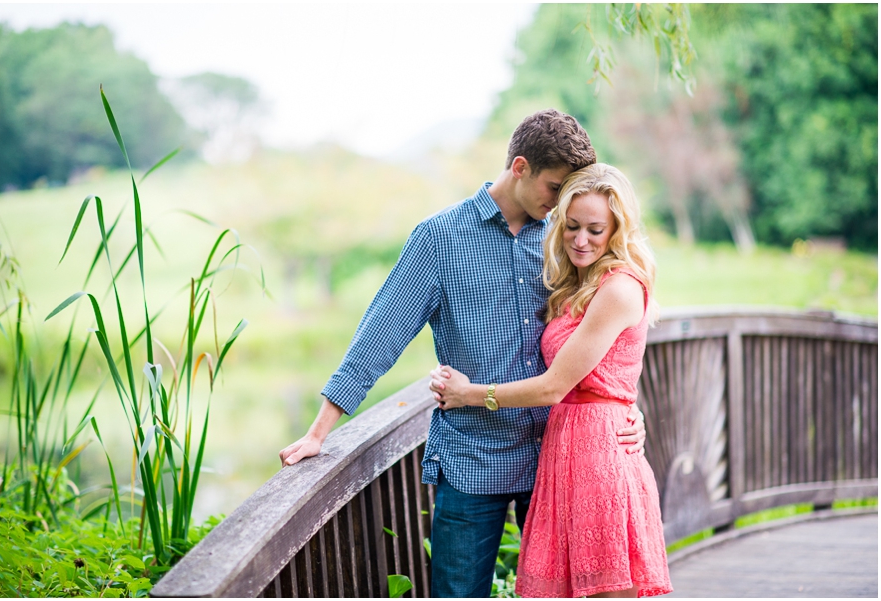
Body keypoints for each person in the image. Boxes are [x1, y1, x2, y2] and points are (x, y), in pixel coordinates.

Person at [279, 110, 647, 597]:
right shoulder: (439, 239)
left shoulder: (564, 238)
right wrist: (318, 431)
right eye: (554, 188)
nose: (561, 205)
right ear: (520, 168)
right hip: (476, 459)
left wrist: (626, 409)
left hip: (557, 460)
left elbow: (612, 333)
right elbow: (379, 337)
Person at [430, 163, 672, 598]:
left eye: (596, 230)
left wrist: (468, 394)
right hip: (562, 455)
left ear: (618, 229)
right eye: (572, 226)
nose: (581, 240)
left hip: (599, 462)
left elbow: (553, 387)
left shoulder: (618, 288)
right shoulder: (576, 284)